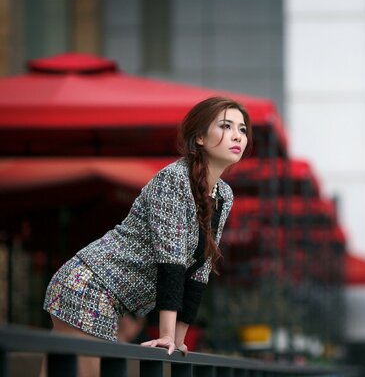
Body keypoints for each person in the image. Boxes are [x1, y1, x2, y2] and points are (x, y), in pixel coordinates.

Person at [41, 96, 251, 376]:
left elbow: (199, 273)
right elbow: (171, 260)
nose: (237, 135)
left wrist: (178, 340)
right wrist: (166, 336)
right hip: (88, 285)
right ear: (199, 137)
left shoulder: (223, 195)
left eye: (242, 129)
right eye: (226, 126)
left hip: (109, 297)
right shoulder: (175, 178)